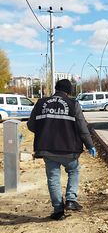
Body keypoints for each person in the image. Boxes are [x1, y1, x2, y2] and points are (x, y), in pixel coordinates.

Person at [27, 79, 97, 220]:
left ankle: (58, 211)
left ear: (56, 89)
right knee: (74, 170)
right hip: (69, 149)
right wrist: (90, 145)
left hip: (47, 148)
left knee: (53, 178)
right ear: (69, 91)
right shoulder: (73, 104)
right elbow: (82, 129)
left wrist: (46, 130)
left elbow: (31, 125)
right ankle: (71, 200)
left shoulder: (41, 103)